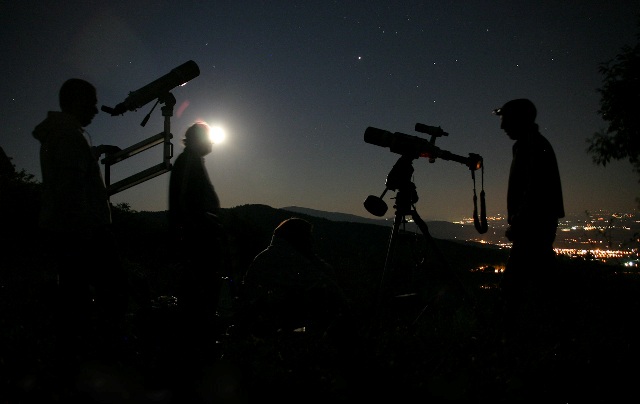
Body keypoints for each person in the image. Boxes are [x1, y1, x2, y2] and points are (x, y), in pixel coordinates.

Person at [32, 78, 128, 351]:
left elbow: (69, 171)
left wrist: (96, 152)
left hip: (70, 232)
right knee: (106, 294)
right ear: (76, 102)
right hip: (82, 233)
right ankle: (98, 354)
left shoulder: (63, 135)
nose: (96, 110)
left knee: (75, 296)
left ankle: (80, 354)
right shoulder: (69, 137)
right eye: (92, 104)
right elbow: (71, 189)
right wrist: (92, 232)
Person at [493, 98, 565, 342]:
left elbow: (534, 191)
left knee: (512, 288)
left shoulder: (531, 146)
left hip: (533, 227)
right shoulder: (532, 144)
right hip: (537, 226)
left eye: (505, 119)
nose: (502, 126)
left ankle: (508, 342)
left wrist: (520, 222)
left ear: (518, 119)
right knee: (542, 283)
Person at [168, 121, 226, 362]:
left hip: (198, 242)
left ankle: (197, 351)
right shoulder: (188, 163)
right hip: (197, 245)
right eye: (208, 138)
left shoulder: (191, 162)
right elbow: (184, 206)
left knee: (199, 298)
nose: (211, 142)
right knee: (198, 299)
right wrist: (203, 227)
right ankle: (196, 356)